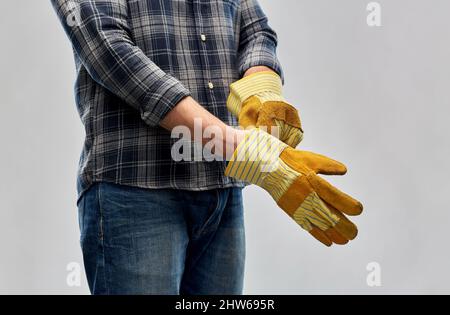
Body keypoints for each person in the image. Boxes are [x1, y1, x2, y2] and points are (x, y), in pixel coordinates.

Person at [52, 0, 362, 295]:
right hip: (136, 191)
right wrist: (238, 147)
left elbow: (256, 31)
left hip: (221, 193)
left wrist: (263, 95)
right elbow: (108, 51)